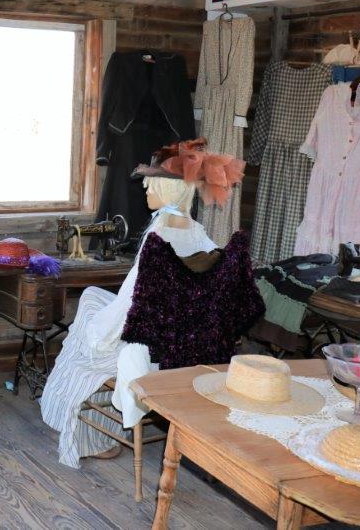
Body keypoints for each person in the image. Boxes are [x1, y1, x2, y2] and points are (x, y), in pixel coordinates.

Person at [40, 138, 244, 467]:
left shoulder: (158, 235)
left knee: (88, 312)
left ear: (167, 189)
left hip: (148, 342)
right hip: (179, 337)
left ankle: (90, 435)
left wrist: (99, 333)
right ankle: (96, 430)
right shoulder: (197, 232)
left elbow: (131, 301)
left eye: (151, 184)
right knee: (93, 299)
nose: (146, 189)